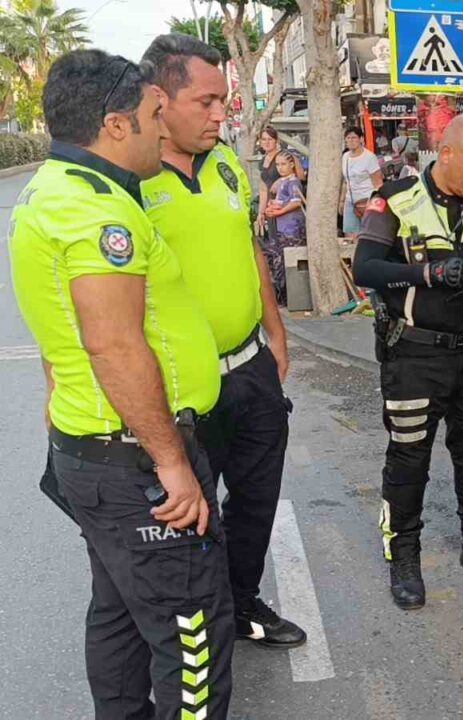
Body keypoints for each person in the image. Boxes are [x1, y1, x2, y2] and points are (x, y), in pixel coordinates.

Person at [10, 49, 233, 718]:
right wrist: (172, 463)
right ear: (114, 125)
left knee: (117, 615)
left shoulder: (54, 191)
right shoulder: (95, 213)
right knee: (191, 635)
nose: (161, 128)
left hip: (93, 449)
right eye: (151, 116)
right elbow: (112, 342)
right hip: (135, 463)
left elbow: (63, 331)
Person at [140, 34, 307, 647]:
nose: (221, 115)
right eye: (207, 101)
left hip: (252, 369)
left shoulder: (228, 163)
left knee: (258, 498)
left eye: (225, 100)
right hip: (184, 385)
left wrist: (275, 329)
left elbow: (250, 248)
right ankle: (200, 626)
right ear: (159, 99)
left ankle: (240, 603)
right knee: (195, 513)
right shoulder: (131, 180)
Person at [351, 114, 463, 610]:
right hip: (415, 356)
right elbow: (366, 268)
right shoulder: (396, 199)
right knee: (409, 459)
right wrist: (428, 272)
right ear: (444, 153)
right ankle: (402, 555)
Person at [263, 150, 308, 300]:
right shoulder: (282, 182)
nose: (280, 168)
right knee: (278, 259)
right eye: (277, 165)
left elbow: (296, 202)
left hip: (292, 228)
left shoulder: (293, 182)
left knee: (288, 262)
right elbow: (281, 201)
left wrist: (278, 212)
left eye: (283, 164)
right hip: (282, 228)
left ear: (291, 165)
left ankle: (289, 295)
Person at [341, 126, 384, 239]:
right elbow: (346, 181)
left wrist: (375, 202)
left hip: (367, 199)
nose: (351, 141)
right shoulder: (345, 157)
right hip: (350, 200)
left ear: (361, 139)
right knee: (350, 233)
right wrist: (341, 201)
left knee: (369, 233)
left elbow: (378, 183)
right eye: (348, 138)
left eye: (354, 138)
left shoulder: (369, 157)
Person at [255, 126, 282, 240]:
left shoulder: (283, 156)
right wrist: (261, 213)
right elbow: (263, 190)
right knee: (273, 240)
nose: (267, 142)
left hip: (283, 203)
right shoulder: (262, 162)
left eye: (270, 139)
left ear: (276, 141)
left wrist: (282, 180)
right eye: (264, 139)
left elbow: (298, 176)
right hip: (270, 206)